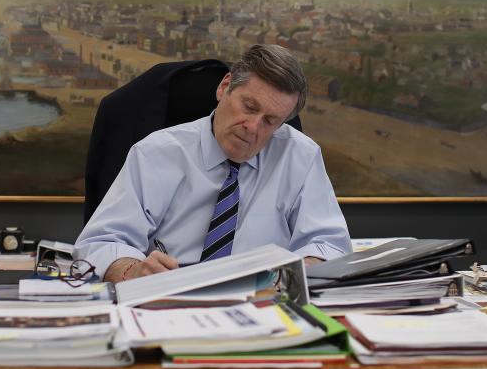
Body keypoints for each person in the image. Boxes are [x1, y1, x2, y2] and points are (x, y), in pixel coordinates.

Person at [74, 44, 351, 282]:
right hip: (170, 300)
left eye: (270, 121)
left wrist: (304, 268)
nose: (253, 127)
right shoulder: (156, 153)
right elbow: (102, 242)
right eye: (250, 107)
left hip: (263, 303)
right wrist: (133, 272)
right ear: (224, 87)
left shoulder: (299, 156)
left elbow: (329, 243)